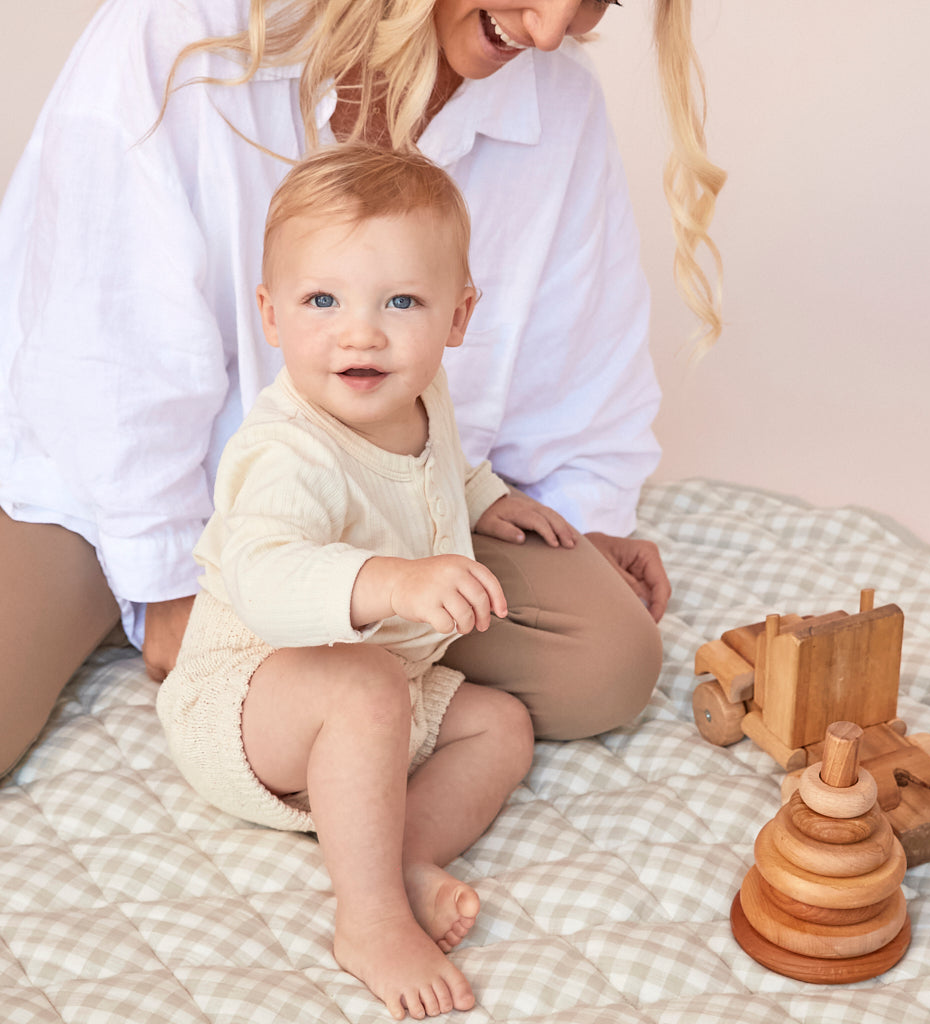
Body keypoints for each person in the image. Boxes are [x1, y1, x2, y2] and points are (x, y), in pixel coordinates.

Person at [0, 0, 725, 777]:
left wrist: (585, 519)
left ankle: (312, 625)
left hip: (369, 507)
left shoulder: (558, 99)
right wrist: (174, 592)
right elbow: (102, 354)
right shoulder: (176, 31)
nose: (550, 30)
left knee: (608, 660)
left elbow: (577, 369)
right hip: (106, 498)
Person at [156, 142, 571, 1019]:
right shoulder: (288, 449)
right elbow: (264, 580)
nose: (361, 331)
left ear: (457, 317)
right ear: (269, 314)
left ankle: (399, 860)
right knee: (368, 682)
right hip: (247, 698)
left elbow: (437, 470)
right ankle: (370, 918)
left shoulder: (419, 393)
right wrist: (393, 581)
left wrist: (488, 501)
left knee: (501, 724)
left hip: (377, 685)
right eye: (321, 300)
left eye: (401, 302)